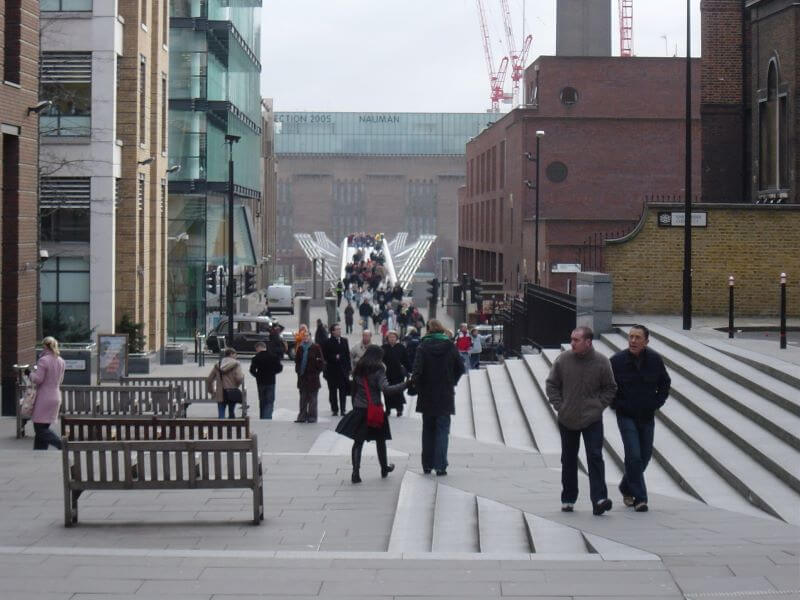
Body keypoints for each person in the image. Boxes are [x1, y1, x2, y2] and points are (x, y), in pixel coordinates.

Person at [545, 326, 617, 515]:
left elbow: (610, 387)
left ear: (588, 342)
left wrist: (599, 406)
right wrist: (560, 405)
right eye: (572, 340)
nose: (572, 343)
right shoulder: (563, 360)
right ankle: (568, 497)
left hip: (592, 418)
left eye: (576, 340)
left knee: (595, 456)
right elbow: (552, 384)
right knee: (568, 458)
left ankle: (599, 499)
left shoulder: (601, 362)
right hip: (567, 417)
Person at [610, 324, 671, 513]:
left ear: (646, 341)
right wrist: (617, 405)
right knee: (633, 455)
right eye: (631, 337)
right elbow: (608, 386)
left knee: (644, 457)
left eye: (637, 338)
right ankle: (640, 498)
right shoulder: (617, 361)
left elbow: (665, 383)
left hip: (646, 416)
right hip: (626, 416)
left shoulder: (654, 360)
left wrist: (656, 403)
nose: (633, 341)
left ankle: (625, 486)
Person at [337, 345, 407, 483]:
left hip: (359, 408)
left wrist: (355, 404)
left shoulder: (358, 368)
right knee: (380, 440)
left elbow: (354, 389)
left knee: (358, 442)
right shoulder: (378, 370)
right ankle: (384, 468)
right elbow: (386, 389)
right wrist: (405, 384)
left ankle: (355, 473)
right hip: (374, 409)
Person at [411, 319, 465, 476]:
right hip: (445, 394)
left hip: (427, 395)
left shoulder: (422, 346)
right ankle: (440, 465)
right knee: (442, 430)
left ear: (428, 330)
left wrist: (419, 387)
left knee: (427, 429)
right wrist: (451, 381)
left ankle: (427, 464)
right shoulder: (449, 346)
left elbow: (417, 371)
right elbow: (460, 368)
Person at [28, 336, 66, 450]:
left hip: (44, 397)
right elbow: (61, 380)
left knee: (39, 428)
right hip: (56, 396)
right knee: (43, 426)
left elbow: (38, 379)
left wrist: (28, 373)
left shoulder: (43, 360)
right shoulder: (61, 361)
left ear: (45, 346)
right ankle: (39, 452)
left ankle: (61, 444)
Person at [294, 329, 325, 423]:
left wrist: (316, 371)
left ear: (310, 337)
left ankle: (312, 417)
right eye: (304, 336)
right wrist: (298, 371)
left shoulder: (315, 347)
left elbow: (321, 362)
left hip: (313, 378)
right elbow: (297, 361)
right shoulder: (300, 348)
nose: (305, 337)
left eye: (307, 336)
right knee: (303, 398)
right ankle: (302, 416)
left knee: (312, 399)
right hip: (303, 377)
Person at [322, 323, 352, 416]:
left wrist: (349, 369)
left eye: (340, 329)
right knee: (333, 391)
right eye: (337, 329)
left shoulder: (344, 341)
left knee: (343, 390)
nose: (339, 331)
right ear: (333, 331)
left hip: (343, 371)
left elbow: (347, 355)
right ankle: (335, 409)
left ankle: (343, 409)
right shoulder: (327, 342)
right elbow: (325, 356)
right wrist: (335, 357)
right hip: (332, 371)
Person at [207, 348, 245, 419]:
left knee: (221, 412)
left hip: (220, 392)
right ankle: (231, 422)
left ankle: (221, 424)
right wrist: (237, 385)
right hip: (232, 391)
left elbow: (209, 379)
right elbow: (239, 378)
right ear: (231, 354)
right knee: (231, 411)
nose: (236, 356)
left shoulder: (217, 365)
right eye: (235, 354)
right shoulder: (236, 364)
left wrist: (212, 391)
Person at [249, 341, 283, 419]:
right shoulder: (273, 357)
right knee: (270, 401)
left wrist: (257, 376)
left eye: (256, 349)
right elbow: (280, 368)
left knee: (262, 401)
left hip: (260, 382)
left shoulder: (256, 358)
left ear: (258, 348)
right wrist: (273, 373)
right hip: (271, 381)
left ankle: (262, 417)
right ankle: (267, 417)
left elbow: (252, 370)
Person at [382, 330, 410, 417]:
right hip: (387, 374)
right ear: (387, 338)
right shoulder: (383, 347)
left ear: (396, 338)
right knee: (387, 392)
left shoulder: (401, 347)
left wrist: (410, 371)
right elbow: (379, 360)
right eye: (390, 337)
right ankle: (388, 409)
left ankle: (399, 409)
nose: (392, 339)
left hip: (398, 374)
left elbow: (406, 360)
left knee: (398, 392)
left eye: (393, 337)